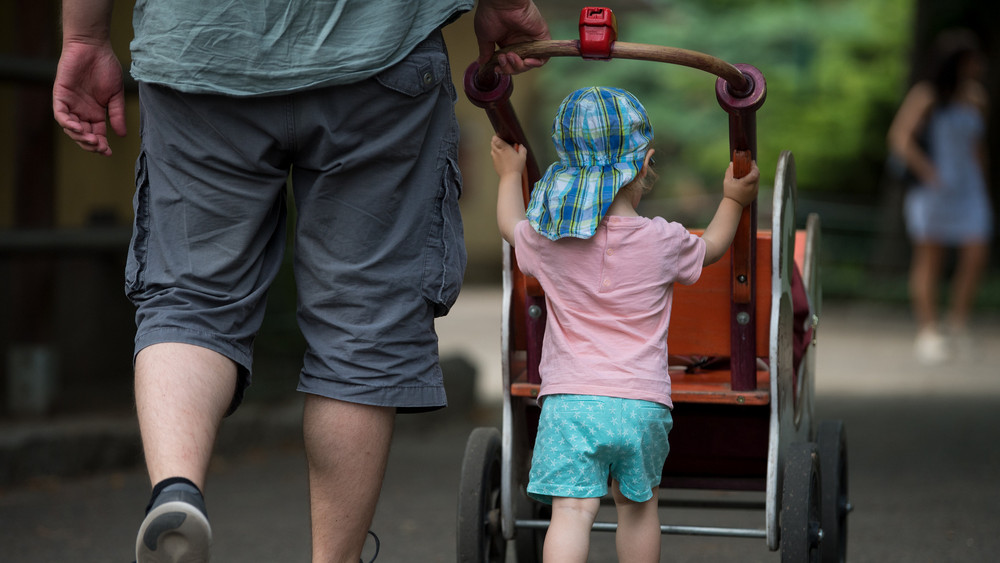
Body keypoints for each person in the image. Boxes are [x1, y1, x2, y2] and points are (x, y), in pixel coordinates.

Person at [52, 1, 549, 562]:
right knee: (361, 326)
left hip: (201, 50)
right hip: (378, 57)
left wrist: (85, 38)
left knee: (189, 298)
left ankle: (176, 490)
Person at [490, 87, 759, 563]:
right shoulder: (663, 240)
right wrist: (733, 199)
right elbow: (715, 246)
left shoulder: (549, 241)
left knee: (571, 512)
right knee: (637, 508)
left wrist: (511, 175)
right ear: (645, 162)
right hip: (642, 402)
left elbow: (510, 225)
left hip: (570, 401)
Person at [887, 28, 993, 364]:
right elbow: (900, 137)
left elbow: (978, 147)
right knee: (929, 257)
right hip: (933, 190)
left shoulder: (977, 97)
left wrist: (983, 184)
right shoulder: (928, 95)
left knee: (976, 253)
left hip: (969, 189)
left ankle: (958, 322)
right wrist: (928, 171)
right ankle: (929, 330)